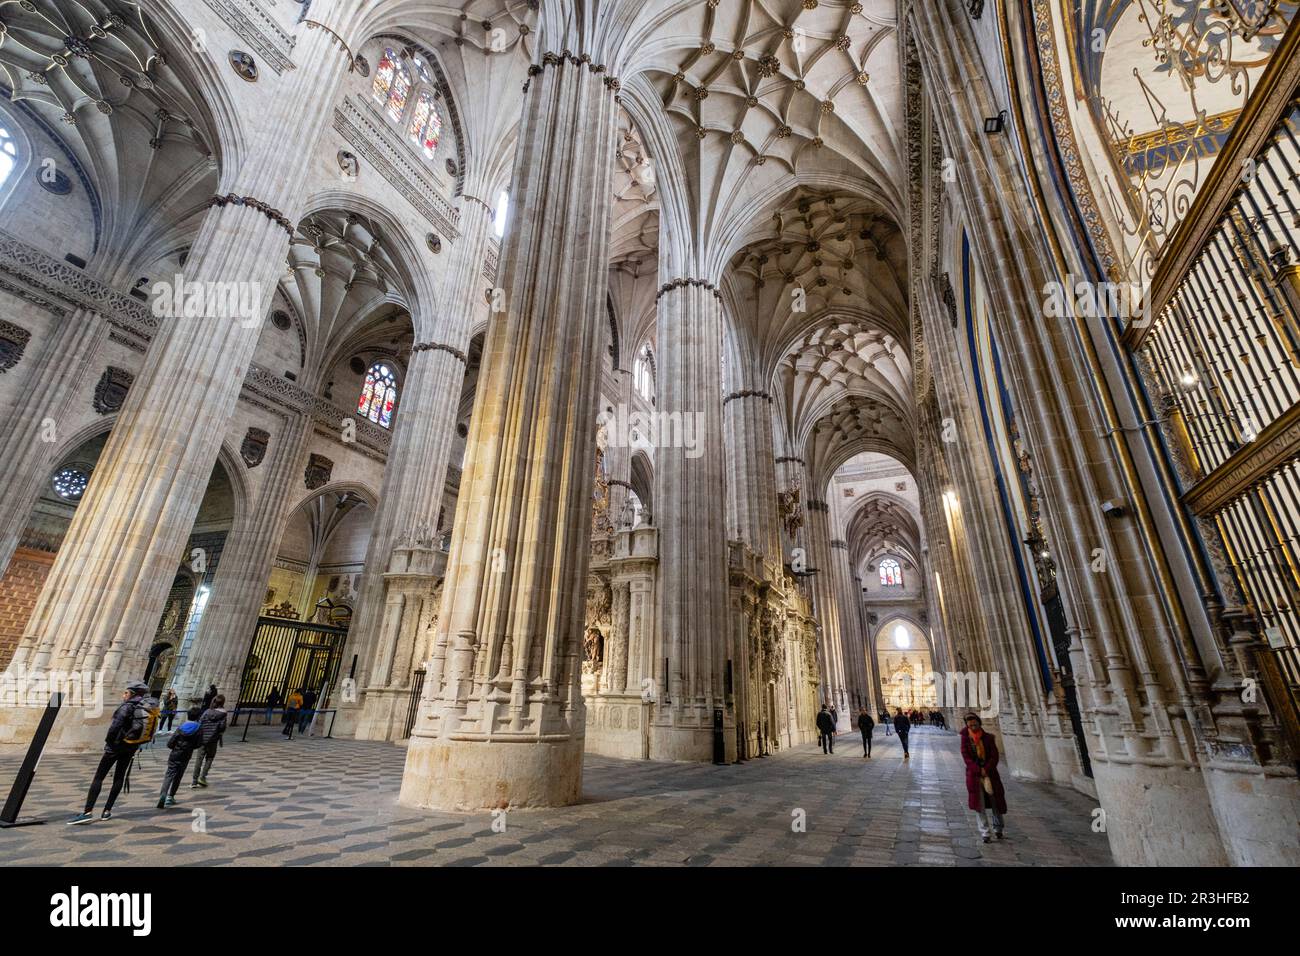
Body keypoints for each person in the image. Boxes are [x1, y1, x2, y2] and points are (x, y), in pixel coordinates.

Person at [68, 680, 157, 824]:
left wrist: (109, 742)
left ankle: (87, 812)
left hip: (115, 747)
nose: (124, 695)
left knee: (99, 777)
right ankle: (107, 811)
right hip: (130, 747)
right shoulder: (146, 707)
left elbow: (115, 727)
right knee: (119, 777)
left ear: (132, 693)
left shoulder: (126, 707)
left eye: (126, 692)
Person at [960, 713, 1007, 842]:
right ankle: (985, 832)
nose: (973, 727)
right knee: (979, 804)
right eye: (970, 725)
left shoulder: (988, 738)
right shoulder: (965, 739)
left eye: (975, 724)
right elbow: (966, 757)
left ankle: (998, 828)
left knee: (995, 801)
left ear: (979, 723)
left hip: (990, 773)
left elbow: (994, 756)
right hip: (974, 776)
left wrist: (986, 769)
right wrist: (978, 769)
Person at [158, 708, 204, 808]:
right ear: (198, 717)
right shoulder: (199, 728)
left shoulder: (181, 727)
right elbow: (199, 743)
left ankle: (163, 794)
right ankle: (171, 797)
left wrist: (174, 747)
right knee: (178, 776)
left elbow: (170, 743)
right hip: (186, 755)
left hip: (175, 754)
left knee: (169, 774)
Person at [191, 695, 227, 788]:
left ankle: (194, 781)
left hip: (202, 738)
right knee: (209, 758)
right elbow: (222, 727)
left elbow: (200, 722)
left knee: (199, 759)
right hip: (213, 740)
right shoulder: (223, 714)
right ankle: (202, 777)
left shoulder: (207, 712)